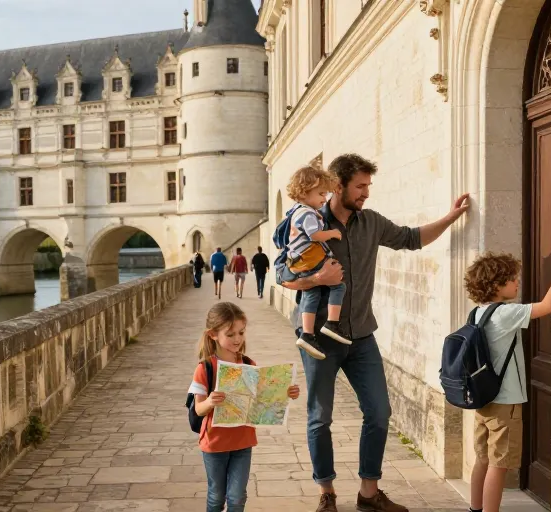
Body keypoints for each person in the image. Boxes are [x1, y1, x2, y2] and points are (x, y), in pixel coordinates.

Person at [280, 154, 470, 512]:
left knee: (379, 413)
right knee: (320, 417)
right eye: (361, 186)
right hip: (319, 337)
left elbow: (411, 239)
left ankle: (369, 493)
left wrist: (450, 217)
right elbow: (282, 275)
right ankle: (327, 493)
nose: (366, 193)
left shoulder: (372, 223)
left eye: (368, 186)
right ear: (338, 186)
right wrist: (317, 279)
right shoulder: (308, 220)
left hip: (362, 335)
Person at [463, 249, 551, 512]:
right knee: (499, 465)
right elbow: (548, 306)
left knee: (482, 460)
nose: (517, 283)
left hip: (484, 399)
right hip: (506, 402)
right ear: (497, 285)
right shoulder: (505, 314)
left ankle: (475, 509)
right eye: (512, 279)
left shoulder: (478, 313)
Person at [188, 302, 301, 512]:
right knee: (216, 496)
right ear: (213, 334)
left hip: (243, 440)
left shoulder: (249, 364)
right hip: (215, 443)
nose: (237, 339)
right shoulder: (205, 368)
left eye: (241, 332)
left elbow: (261, 398)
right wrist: (211, 401)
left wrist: (285, 392)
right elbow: (198, 409)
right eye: (230, 334)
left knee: (237, 497)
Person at [276, 166, 351, 360]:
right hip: (309, 258)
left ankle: (307, 334)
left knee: (312, 293)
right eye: (320, 194)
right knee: (338, 286)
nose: (324, 199)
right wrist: (333, 233)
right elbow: (315, 235)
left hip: (300, 261)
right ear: (304, 191)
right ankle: (332, 323)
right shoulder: (307, 213)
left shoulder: (296, 211)